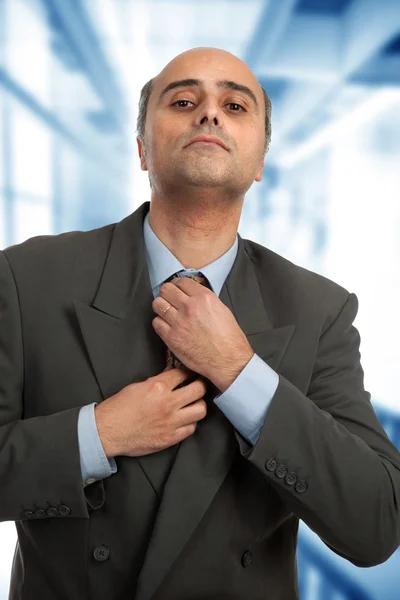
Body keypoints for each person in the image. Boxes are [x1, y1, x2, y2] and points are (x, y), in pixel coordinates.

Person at [1, 46, 400, 600]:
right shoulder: (26, 279)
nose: (209, 113)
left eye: (236, 107)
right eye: (184, 100)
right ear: (142, 148)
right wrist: (100, 433)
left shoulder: (319, 311)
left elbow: (377, 522)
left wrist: (239, 372)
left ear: (260, 161)